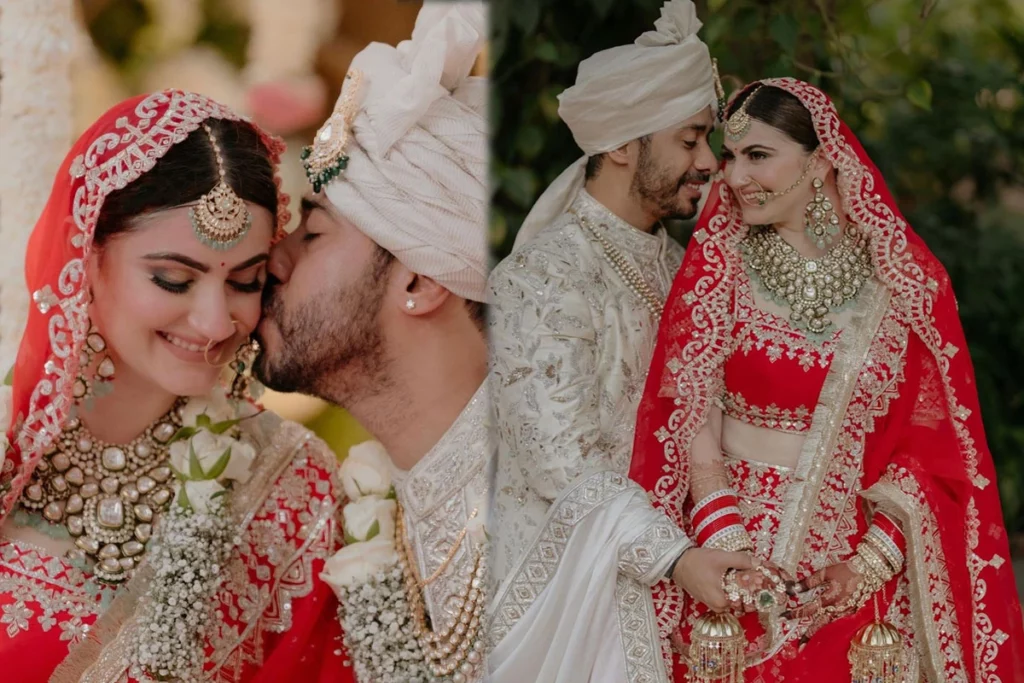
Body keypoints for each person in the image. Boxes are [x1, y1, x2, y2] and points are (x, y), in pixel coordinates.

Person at [631, 77, 1024, 681]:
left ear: (820, 162)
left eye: (758, 155)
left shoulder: (902, 283)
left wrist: (866, 565)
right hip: (728, 559)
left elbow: (933, 450)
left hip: (852, 575)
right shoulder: (717, 269)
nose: (734, 177)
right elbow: (688, 411)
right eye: (730, 157)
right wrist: (726, 536)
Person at [0, 90, 352, 683]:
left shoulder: (291, 488)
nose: (215, 324)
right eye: (172, 279)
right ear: (86, 255)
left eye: (245, 282)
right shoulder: (11, 442)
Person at [486, 2, 770, 681]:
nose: (710, 163)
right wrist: (677, 558)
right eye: (690, 140)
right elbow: (562, 463)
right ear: (620, 145)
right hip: (567, 608)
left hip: (685, 595)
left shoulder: (683, 268)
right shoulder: (539, 277)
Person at [252, 3, 491, 681]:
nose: (273, 259)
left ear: (419, 280)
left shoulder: (564, 520)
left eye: (314, 231)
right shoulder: (386, 510)